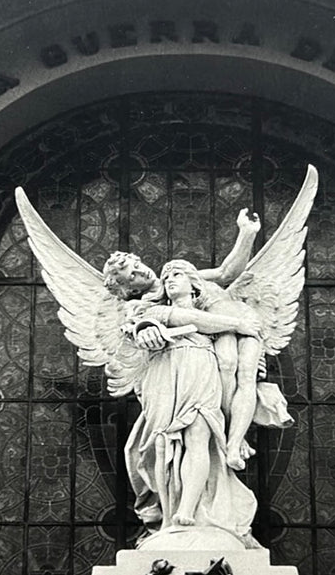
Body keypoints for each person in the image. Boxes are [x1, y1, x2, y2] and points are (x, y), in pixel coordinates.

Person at [103, 207, 287, 469]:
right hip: (216, 337)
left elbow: (227, 273)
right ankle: (228, 435)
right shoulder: (146, 304)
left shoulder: (179, 274)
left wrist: (247, 234)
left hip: (238, 320)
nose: (140, 272)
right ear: (129, 289)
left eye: (136, 266)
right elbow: (136, 327)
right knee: (225, 366)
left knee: (243, 374)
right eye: (131, 276)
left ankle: (235, 438)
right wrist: (144, 329)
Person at [123, 259, 259, 538]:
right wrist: (239, 324)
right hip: (165, 373)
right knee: (162, 443)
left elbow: (226, 274)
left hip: (199, 366)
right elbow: (193, 321)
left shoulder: (213, 309)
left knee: (198, 434)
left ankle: (187, 508)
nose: (170, 279)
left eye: (177, 275)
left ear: (194, 284)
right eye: (166, 276)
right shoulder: (158, 310)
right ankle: (168, 515)